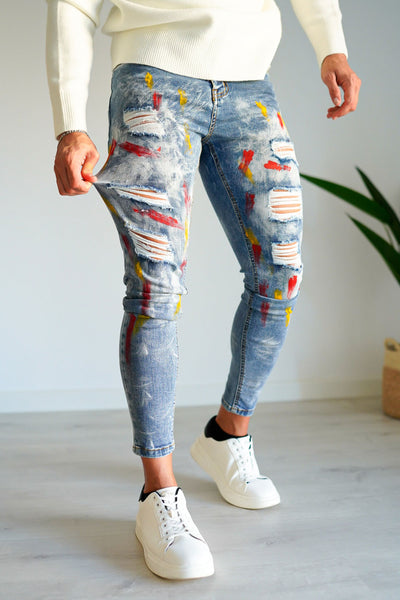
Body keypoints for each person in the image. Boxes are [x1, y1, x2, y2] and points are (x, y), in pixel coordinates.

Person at [46, 0, 361, 581]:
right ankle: (158, 493)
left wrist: (331, 43)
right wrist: (70, 123)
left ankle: (226, 432)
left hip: (250, 85)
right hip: (152, 81)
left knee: (280, 272)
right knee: (156, 288)